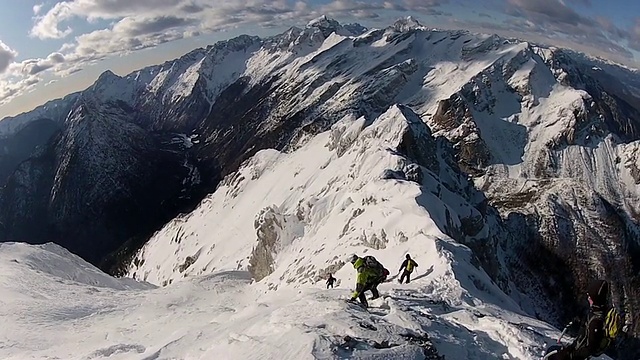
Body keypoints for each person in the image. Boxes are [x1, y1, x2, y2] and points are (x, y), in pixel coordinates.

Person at [544, 279, 617, 360]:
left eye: (590, 296)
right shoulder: (598, 311)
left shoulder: (596, 321)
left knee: (552, 356)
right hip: (576, 349)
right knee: (552, 350)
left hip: (577, 355)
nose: (588, 298)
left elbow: (590, 348)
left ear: (596, 297)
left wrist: (570, 355)